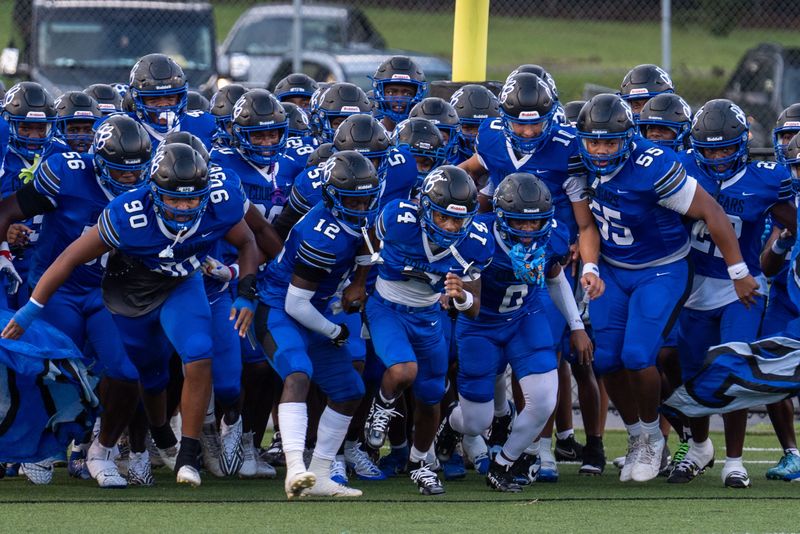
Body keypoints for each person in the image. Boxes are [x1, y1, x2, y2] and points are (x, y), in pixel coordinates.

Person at [2, 143, 261, 488]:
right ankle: (144, 438)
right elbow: (68, 259)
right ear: (155, 193)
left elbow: (247, 241)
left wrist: (246, 292)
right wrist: (31, 310)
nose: (184, 208)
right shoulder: (129, 213)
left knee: (199, 353)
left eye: (191, 199)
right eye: (174, 199)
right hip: (129, 292)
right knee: (149, 376)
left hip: (181, 284)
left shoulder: (221, 198)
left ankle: (187, 456)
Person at [575, 93, 756, 483]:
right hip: (612, 270)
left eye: (610, 142)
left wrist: (738, 270)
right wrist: (590, 266)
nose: (601, 151)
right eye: (594, 142)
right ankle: (640, 435)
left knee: (639, 355)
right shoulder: (579, 163)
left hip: (661, 270)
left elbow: (712, 212)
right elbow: (587, 226)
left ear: (627, 138)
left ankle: (654, 435)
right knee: (605, 361)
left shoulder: (652, 166)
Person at [435, 172, 591, 492]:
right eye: (520, 223)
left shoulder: (553, 235)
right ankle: (452, 426)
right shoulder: (477, 236)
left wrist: (576, 326)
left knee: (544, 399)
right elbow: (463, 296)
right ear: (502, 216)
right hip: (480, 326)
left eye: (535, 223)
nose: (529, 230)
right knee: (477, 421)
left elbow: (555, 275)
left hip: (525, 317)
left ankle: (506, 463)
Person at [670, 99, 796, 488]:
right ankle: (700, 447)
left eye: (726, 147)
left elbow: (792, 220)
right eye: (709, 148)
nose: (718, 156)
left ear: (742, 143)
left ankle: (735, 460)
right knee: (693, 374)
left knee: (735, 367)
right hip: (692, 288)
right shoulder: (682, 166)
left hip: (742, 289)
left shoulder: (767, 177)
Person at [354, 166, 493, 495]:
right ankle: (381, 407)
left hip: (428, 316)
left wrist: (460, 295)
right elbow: (367, 243)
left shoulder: (474, 243)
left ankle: (420, 464)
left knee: (432, 396)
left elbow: (474, 307)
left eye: (457, 220)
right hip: (386, 307)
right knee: (403, 370)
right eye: (443, 217)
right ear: (424, 207)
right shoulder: (398, 220)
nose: (450, 226)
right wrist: (360, 281)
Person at [256, 150, 382, 499]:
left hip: (315, 308)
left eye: (367, 199)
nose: (362, 207)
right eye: (353, 200)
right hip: (281, 307)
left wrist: (359, 281)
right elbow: (296, 303)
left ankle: (321, 473)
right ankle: (295, 467)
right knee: (298, 372)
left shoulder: (359, 219)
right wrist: (334, 330)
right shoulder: (321, 234)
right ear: (332, 196)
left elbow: (368, 248)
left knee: (350, 391)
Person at [371, 56, 427, 132]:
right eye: (390, 92)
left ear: (418, 93)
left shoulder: (425, 133)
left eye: (407, 93)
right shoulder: (371, 132)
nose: (399, 99)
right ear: (380, 92)